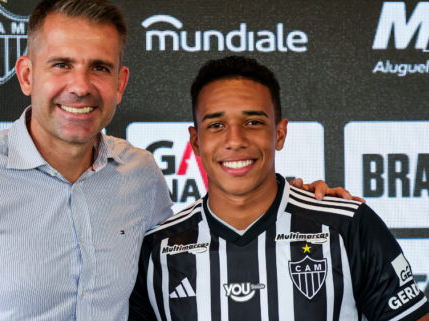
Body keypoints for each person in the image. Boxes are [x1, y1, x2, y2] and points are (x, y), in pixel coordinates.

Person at [0, 1, 357, 320]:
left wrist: (295, 200)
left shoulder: (141, 173)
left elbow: (195, 257)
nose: (80, 85)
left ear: (120, 83)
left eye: (99, 68)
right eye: (61, 64)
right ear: (26, 75)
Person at [128, 56, 429, 321]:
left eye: (253, 122)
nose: (235, 140)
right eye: (216, 125)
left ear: (280, 133)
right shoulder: (158, 249)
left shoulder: (347, 226)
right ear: (195, 141)